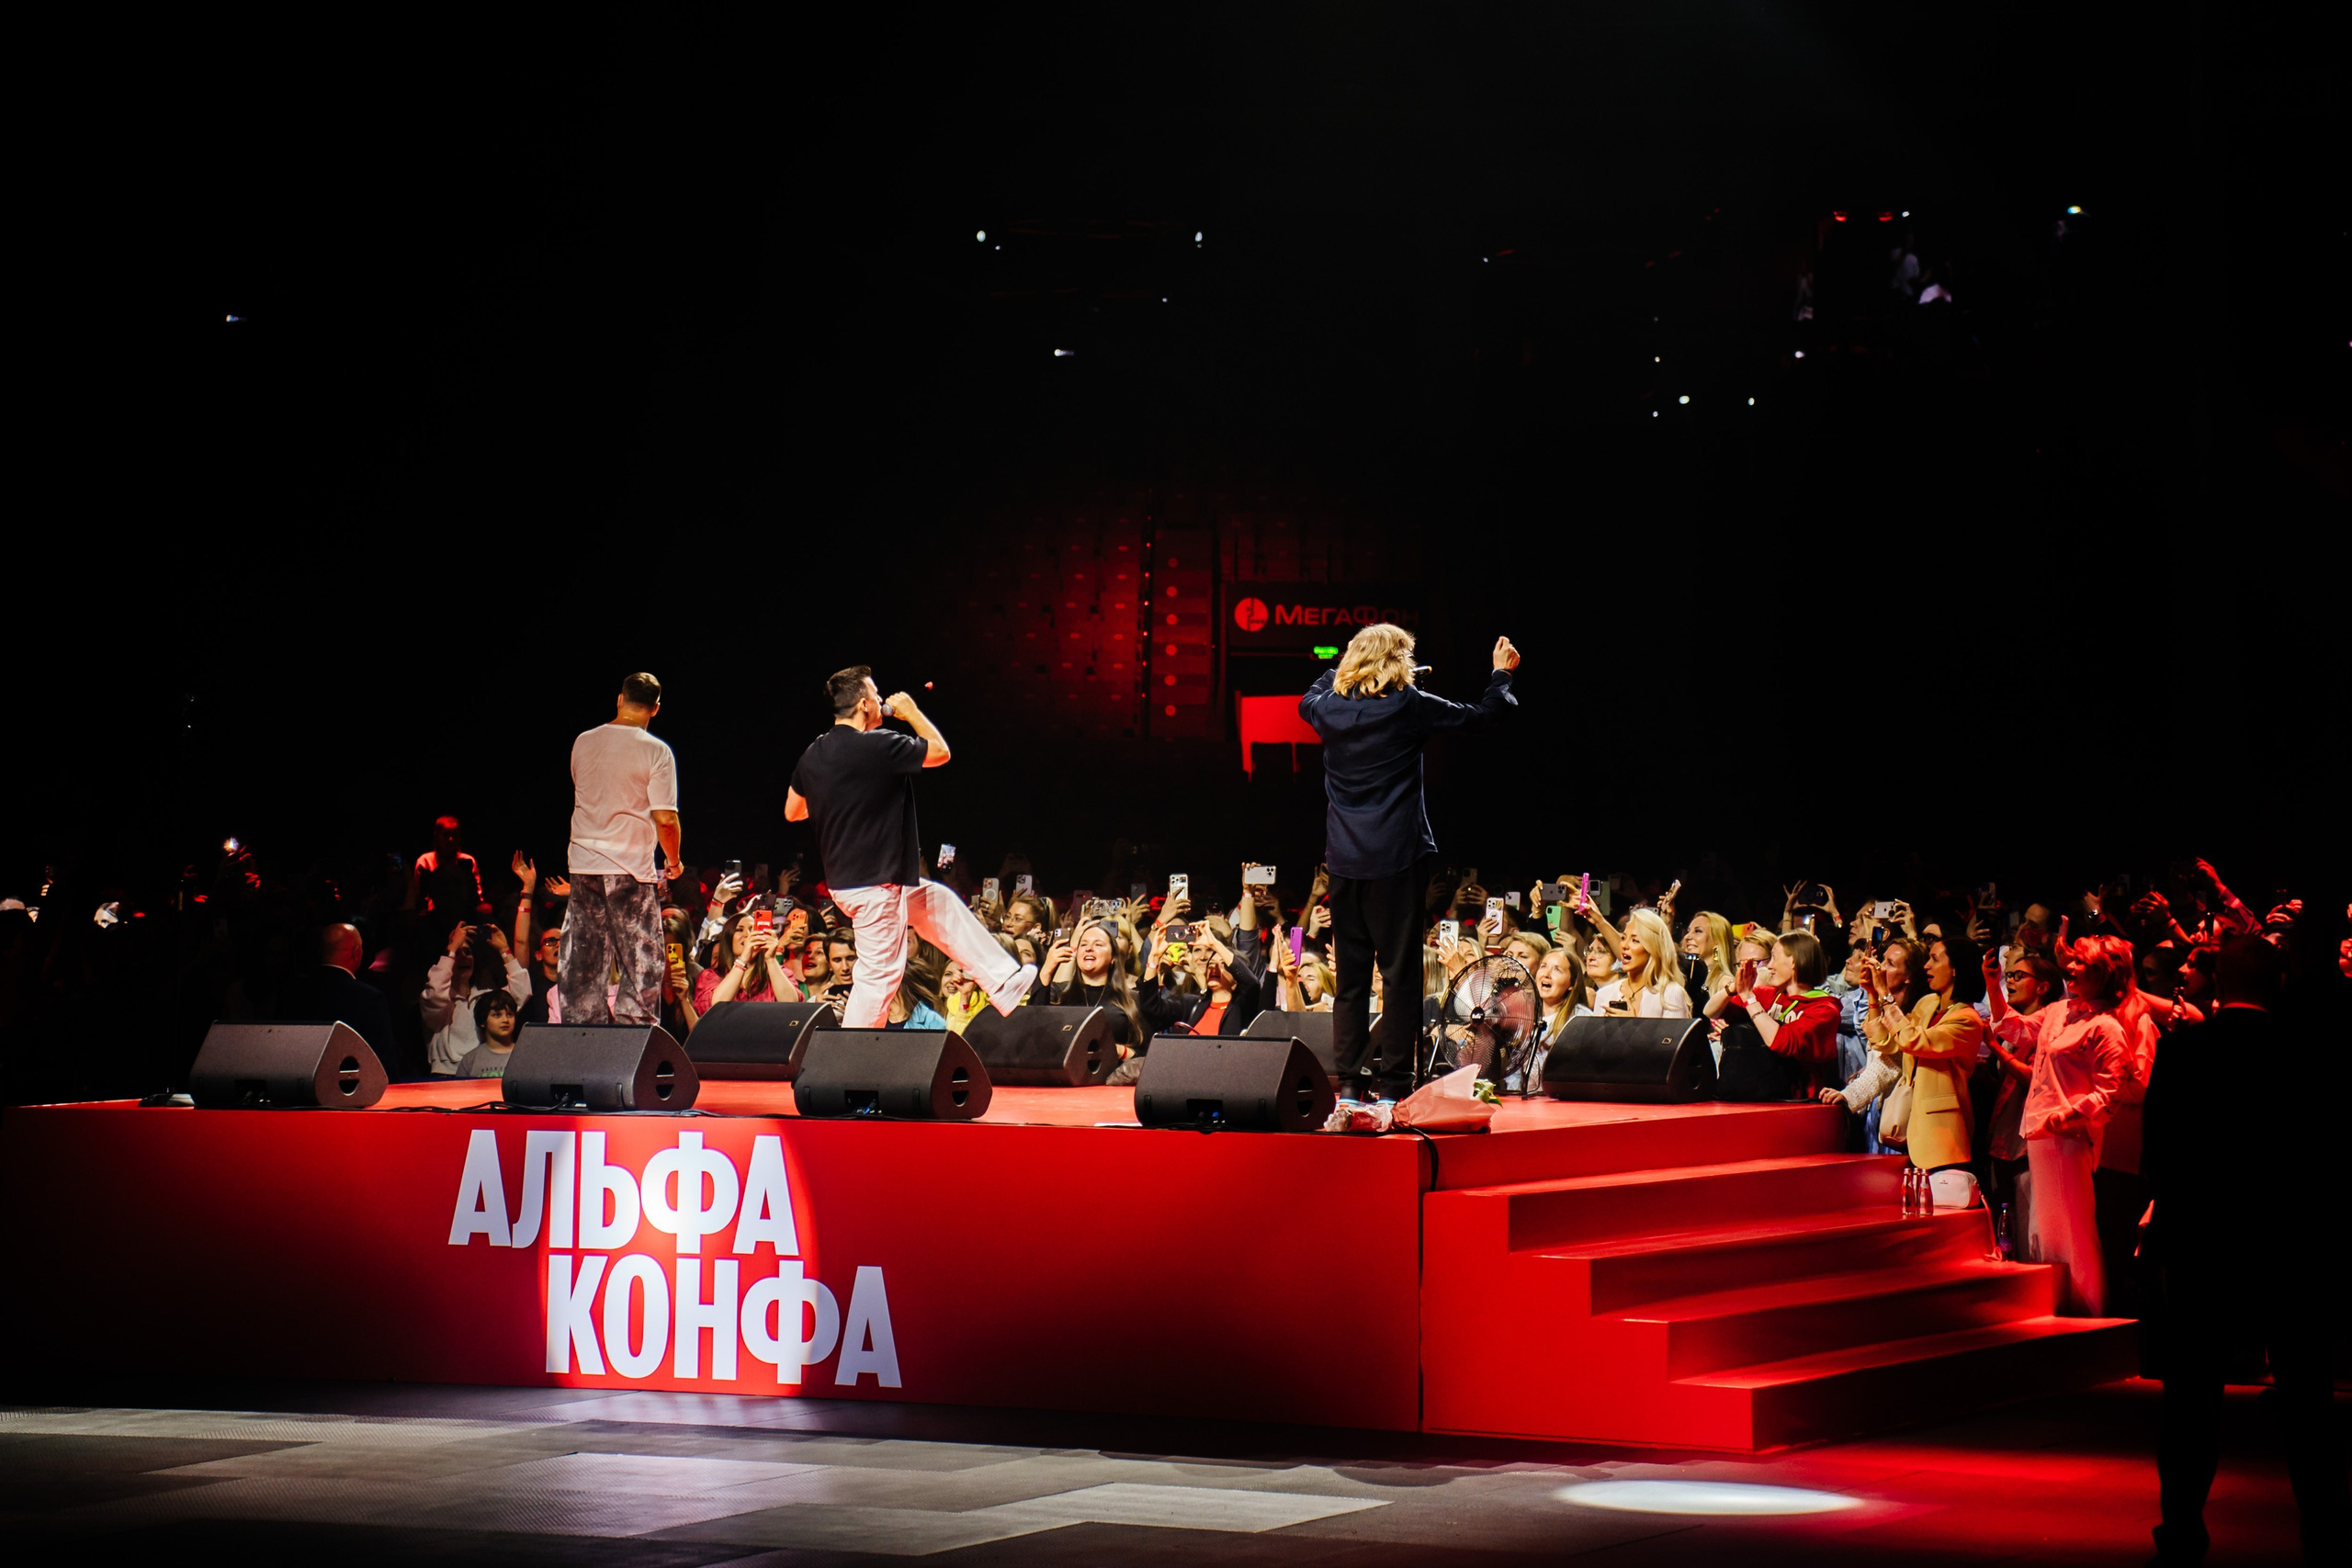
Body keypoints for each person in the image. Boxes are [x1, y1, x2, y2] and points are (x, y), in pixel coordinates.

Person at [2143, 936, 2347, 1564]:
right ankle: (2326, 1530)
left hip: (2203, 1241)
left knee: (2191, 1397)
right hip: (2289, 1243)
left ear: (2217, 983)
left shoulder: (2182, 1050)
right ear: (2278, 981)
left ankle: (2181, 1528)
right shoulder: (2308, 1055)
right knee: (2306, 1398)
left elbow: (2159, 1155)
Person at [1298, 624, 1519, 1095]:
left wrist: (1347, 670)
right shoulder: (1409, 706)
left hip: (1342, 861)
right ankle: (1397, 1082)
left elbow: (1311, 694)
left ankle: (1352, 1085)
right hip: (1395, 858)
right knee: (1399, 974)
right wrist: (1500, 675)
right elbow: (1483, 716)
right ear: (1398, 662)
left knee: (1352, 979)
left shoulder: (1327, 711)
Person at [786, 666, 1035, 1027]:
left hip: (849, 881)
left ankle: (1003, 980)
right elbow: (940, 752)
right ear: (863, 703)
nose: (880, 699)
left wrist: (837, 796)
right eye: (874, 693)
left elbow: (793, 811)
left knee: (939, 904)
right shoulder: (878, 744)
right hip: (874, 882)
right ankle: (848, 1065)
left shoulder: (814, 753)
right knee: (879, 977)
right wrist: (911, 712)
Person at [2018, 934, 2132, 1314]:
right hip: (2042, 1129)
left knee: (2074, 1229)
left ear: (2103, 972)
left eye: (2081, 963)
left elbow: (2110, 1091)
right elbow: (2017, 1030)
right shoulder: (2062, 1011)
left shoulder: (2107, 1026)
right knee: (2049, 1229)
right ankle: (2063, 1307)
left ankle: (2090, 1312)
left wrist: (2066, 1116)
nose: (2071, 968)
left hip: (2069, 1135)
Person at [560, 672, 682, 1025]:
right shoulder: (656, 751)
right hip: (629, 867)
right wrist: (673, 862)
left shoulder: (584, 741)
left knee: (583, 960)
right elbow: (666, 820)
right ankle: (632, 1044)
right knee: (641, 961)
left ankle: (581, 1044)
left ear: (619, 699)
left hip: (583, 864)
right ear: (655, 708)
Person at [1859, 935, 1985, 1172]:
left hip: (1941, 1130)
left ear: (1956, 969)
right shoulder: (1928, 1003)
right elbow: (1887, 1042)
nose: (1927, 966)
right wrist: (1873, 996)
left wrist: (1885, 994)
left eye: (1935, 959)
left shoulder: (1967, 1019)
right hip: (1911, 1118)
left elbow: (1912, 1040)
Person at [277, 922, 410, 1078]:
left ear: (321, 951)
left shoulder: (291, 992)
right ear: (357, 953)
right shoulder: (369, 998)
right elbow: (384, 1065)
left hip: (293, 1089)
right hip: (349, 1092)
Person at [421, 914, 533, 1075]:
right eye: (457, 954)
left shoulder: (485, 997)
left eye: (468, 952)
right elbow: (435, 991)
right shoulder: (436, 999)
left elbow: (521, 992)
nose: (464, 958)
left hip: (480, 1071)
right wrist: (451, 948)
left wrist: (504, 950)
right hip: (446, 1076)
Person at [1591, 908, 1692, 1019]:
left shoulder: (1670, 995)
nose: (1624, 945)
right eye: (1624, 938)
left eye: (1635, 940)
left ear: (1652, 949)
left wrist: (1633, 1025)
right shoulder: (1604, 994)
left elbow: (1673, 1037)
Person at [455, 991, 521, 1078]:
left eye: (510, 1015)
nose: (505, 1020)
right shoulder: (470, 1060)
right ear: (483, 1021)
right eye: (497, 1015)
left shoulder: (525, 1055)